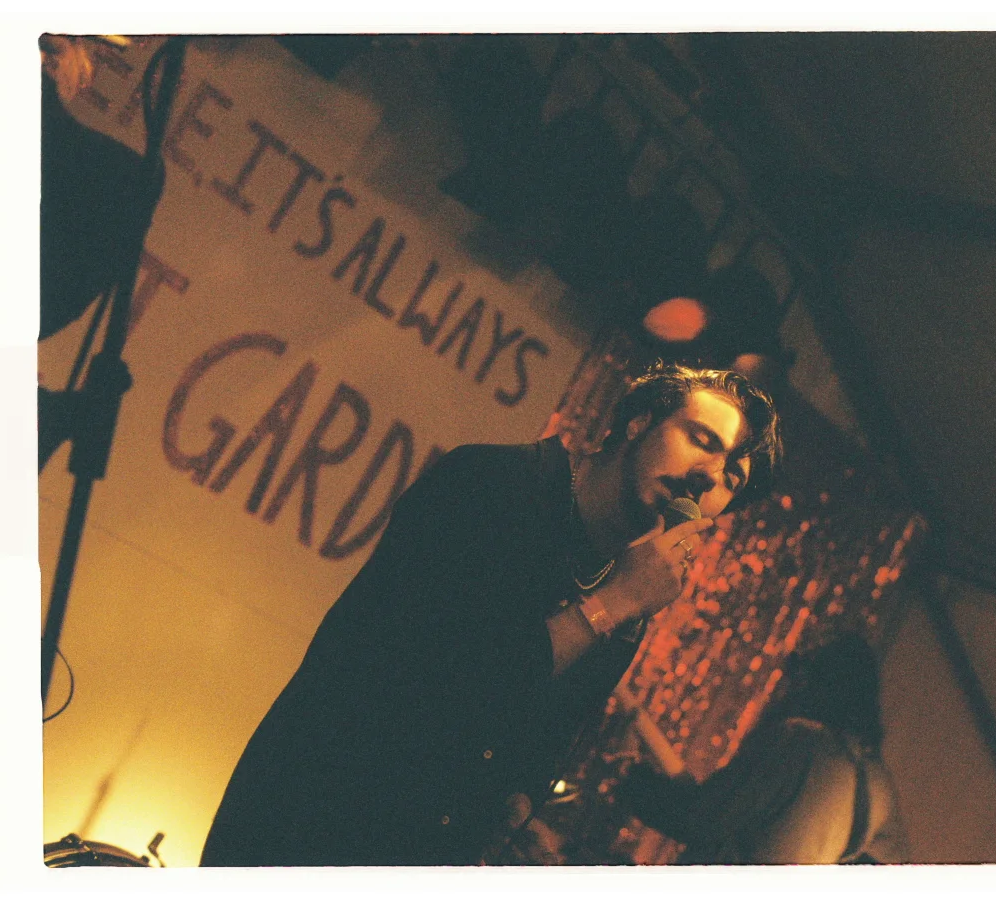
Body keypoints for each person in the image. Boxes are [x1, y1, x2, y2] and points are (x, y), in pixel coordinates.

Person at [199, 363, 781, 866]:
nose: (710, 475)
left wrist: (517, 809)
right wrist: (615, 604)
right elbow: (435, 679)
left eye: (731, 477)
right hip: (309, 822)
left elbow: (533, 742)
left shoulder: (629, 593)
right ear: (637, 423)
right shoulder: (494, 485)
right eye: (701, 438)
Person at [617, 634, 910, 865]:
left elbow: (700, 818)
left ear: (819, 684)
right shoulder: (878, 789)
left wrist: (629, 774)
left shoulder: (802, 743)